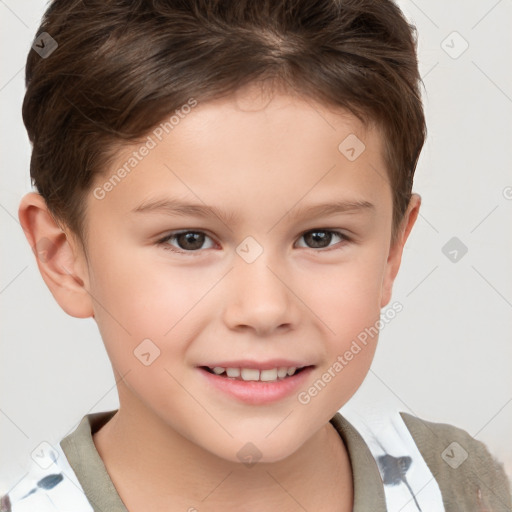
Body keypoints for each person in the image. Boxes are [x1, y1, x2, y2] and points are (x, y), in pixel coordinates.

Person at [2, 0, 510, 511]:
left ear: (393, 251)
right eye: (189, 239)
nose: (265, 309)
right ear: (62, 256)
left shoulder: (461, 486)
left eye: (320, 237)